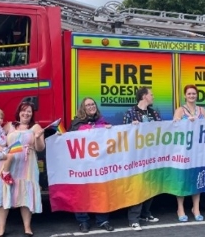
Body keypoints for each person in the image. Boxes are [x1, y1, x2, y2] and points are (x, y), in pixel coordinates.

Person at [0, 102, 45, 237]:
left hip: (27, 166)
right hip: (7, 165)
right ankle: (1, 229)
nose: (26, 114)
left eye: (29, 111)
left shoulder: (36, 127)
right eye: (23, 111)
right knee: (3, 194)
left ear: (32, 114)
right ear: (19, 112)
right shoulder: (9, 125)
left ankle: (27, 227)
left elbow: (40, 148)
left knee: (25, 195)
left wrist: (37, 139)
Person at [69, 97, 114, 233]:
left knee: (100, 191)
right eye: (88, 105)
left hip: (99, 164)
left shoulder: (102, 120)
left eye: (93, 104)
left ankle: (103, 220)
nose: (91, 106)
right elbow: (83, 130)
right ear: (83, 108)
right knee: (82, 193)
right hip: (82, 164)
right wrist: (102, 128)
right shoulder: (77, 122)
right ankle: (83, 221)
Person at [123, 87, 161, 231]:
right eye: (151, 94)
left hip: (151, 155)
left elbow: (162, 130)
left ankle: (145, 213)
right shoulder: (131, 113)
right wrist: (131, 127)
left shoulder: (154, 113)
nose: (153, 97)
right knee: (138, 186)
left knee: (150, 184)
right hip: (136, 156)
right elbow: (123, 133)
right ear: (144, 96)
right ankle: (133, 218)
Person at [172, 85, 205, 222]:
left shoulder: (202, 110)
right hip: (184, 150)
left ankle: (196, 208)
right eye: (189, 93)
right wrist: (185, 121)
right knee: (182, 179)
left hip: (198, 150)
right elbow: (174, 127)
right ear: (185, 95)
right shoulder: (180, 110)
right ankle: (180, 208)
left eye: (194, 93)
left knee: (197, 178)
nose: (192, 96)